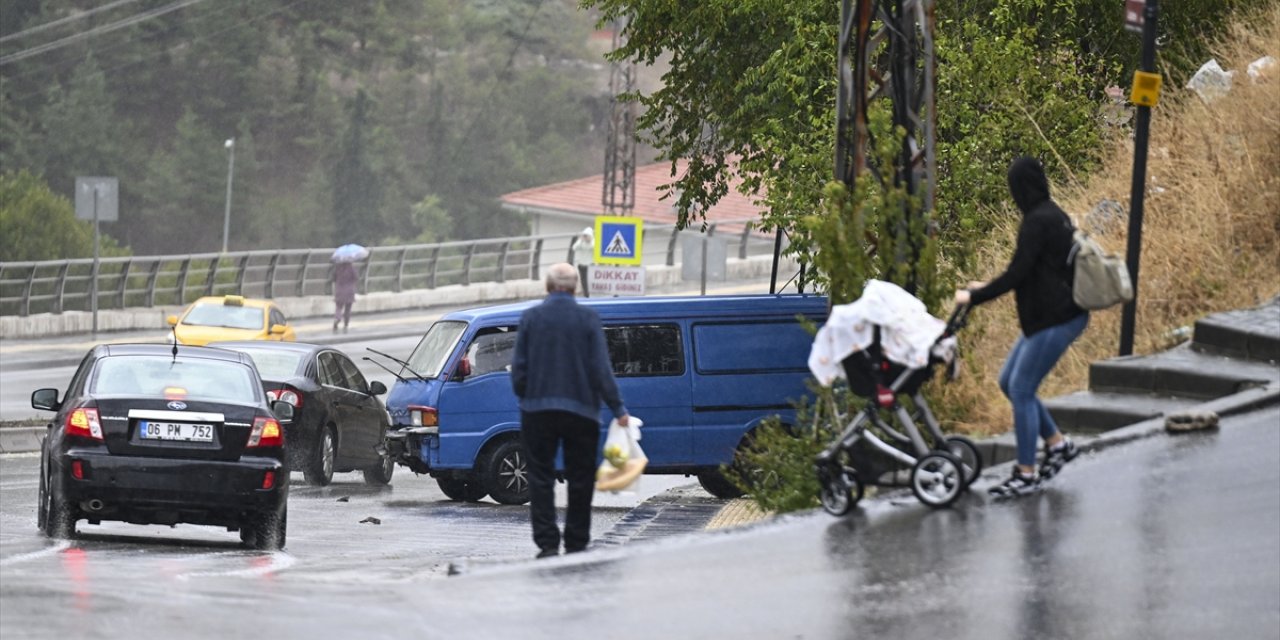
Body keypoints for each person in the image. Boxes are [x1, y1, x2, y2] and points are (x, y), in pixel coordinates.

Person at [954, 156, 1088, 499]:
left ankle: (1025, 472)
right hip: (1052, 314)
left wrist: (975, 296)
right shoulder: (1052, 214)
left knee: (1022, 389)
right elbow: (1032, 271)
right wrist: (984, 286)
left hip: (1056, 317)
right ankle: (1057, 445)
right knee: (1008, 382)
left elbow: (1017, 274)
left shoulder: (1037, 221)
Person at [511, 262, 628, 558]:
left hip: (538, 411)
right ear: (575, 287)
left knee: (540, 477)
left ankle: (548, 543)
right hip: (581, 412)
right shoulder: (588, 318)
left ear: (548, 287)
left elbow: (519, 370)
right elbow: (601, 368)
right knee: (580, 477)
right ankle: (576, 542)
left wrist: (528, 396)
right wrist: (617, 408)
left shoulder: (530, 318)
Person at [333, 261, 358, 332]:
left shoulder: (338, 268)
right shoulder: (352, 268)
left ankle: (337, 318)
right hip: (349, 291)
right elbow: (356, 278)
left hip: (339, 290)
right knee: (348, 309)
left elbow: (333, 278)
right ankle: (346, 324)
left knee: (339, 307)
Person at [568, 227, 594, 297]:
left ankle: (589, 294)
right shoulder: (581, 242)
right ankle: (586, 295)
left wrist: (590, 240)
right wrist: (581, 240)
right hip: (581, 265)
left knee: (589, 281)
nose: (586, 237)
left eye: (587, 235)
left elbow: (593, 247)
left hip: (590, 265)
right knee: (583, 281)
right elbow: (574, 248)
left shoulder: (593, 242)